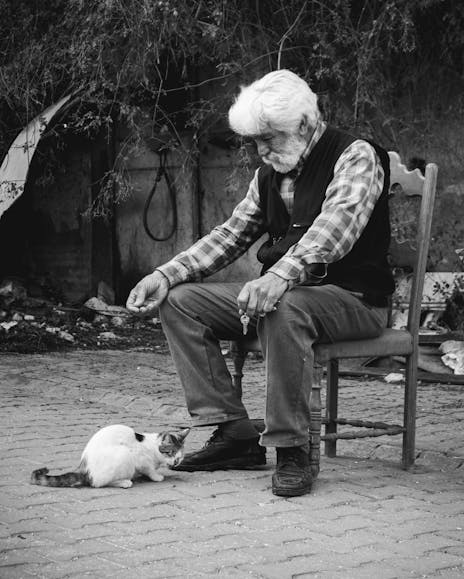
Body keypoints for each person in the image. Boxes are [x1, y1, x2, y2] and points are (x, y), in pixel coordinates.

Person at [126, 69, 394, 497]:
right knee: (180, 301)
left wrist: (280, 276)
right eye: (256, 140)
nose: (261, 150)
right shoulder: (268, 174)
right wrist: (165, 274)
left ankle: (292, 448)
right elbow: (231, 235)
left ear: (305, 124)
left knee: (283, 306)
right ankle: (234, 433)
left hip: (354, 299)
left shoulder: (355, 155)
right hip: (289, 294)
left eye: (270, 138)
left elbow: (336, 228)